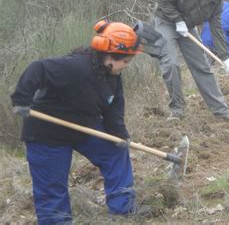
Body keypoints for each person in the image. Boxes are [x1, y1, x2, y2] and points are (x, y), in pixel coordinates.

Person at [10, 21, 142, 224]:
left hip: (83, 127)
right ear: (111, 56)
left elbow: (114, 106)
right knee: (52, 189)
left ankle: (124, 211)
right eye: (126, 61)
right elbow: (38, 69)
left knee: (116, 150)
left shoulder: (112, 74)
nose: (127, 65)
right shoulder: (75, 67)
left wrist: (118, 133)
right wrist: (21, 99)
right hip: (47, 135)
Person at [152, 0, 229, 121]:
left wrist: (224, 57)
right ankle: (177, 110)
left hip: (188, 27)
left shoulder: (217, 2)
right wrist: (177, 20)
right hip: (166, 21)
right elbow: (162, 1)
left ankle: (221, 112)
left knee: (202, 66)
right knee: (170, 64)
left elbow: (216, 29)